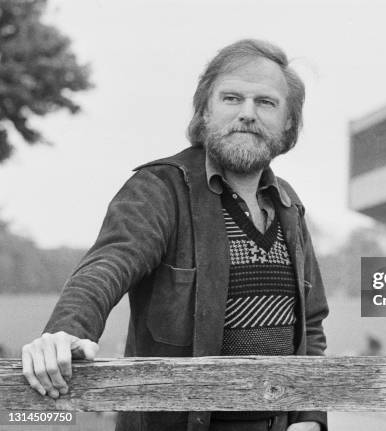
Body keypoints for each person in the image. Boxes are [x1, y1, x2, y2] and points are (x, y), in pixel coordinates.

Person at [20, 39, 329, 431]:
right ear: (204, 111)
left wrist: (310, 417)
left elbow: (312, 323)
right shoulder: (160, 189)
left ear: (288, 122)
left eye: (265, 102)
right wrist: (66, 332)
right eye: (231, 98)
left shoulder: (289, 205)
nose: (247, 113)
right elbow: (107, 265)